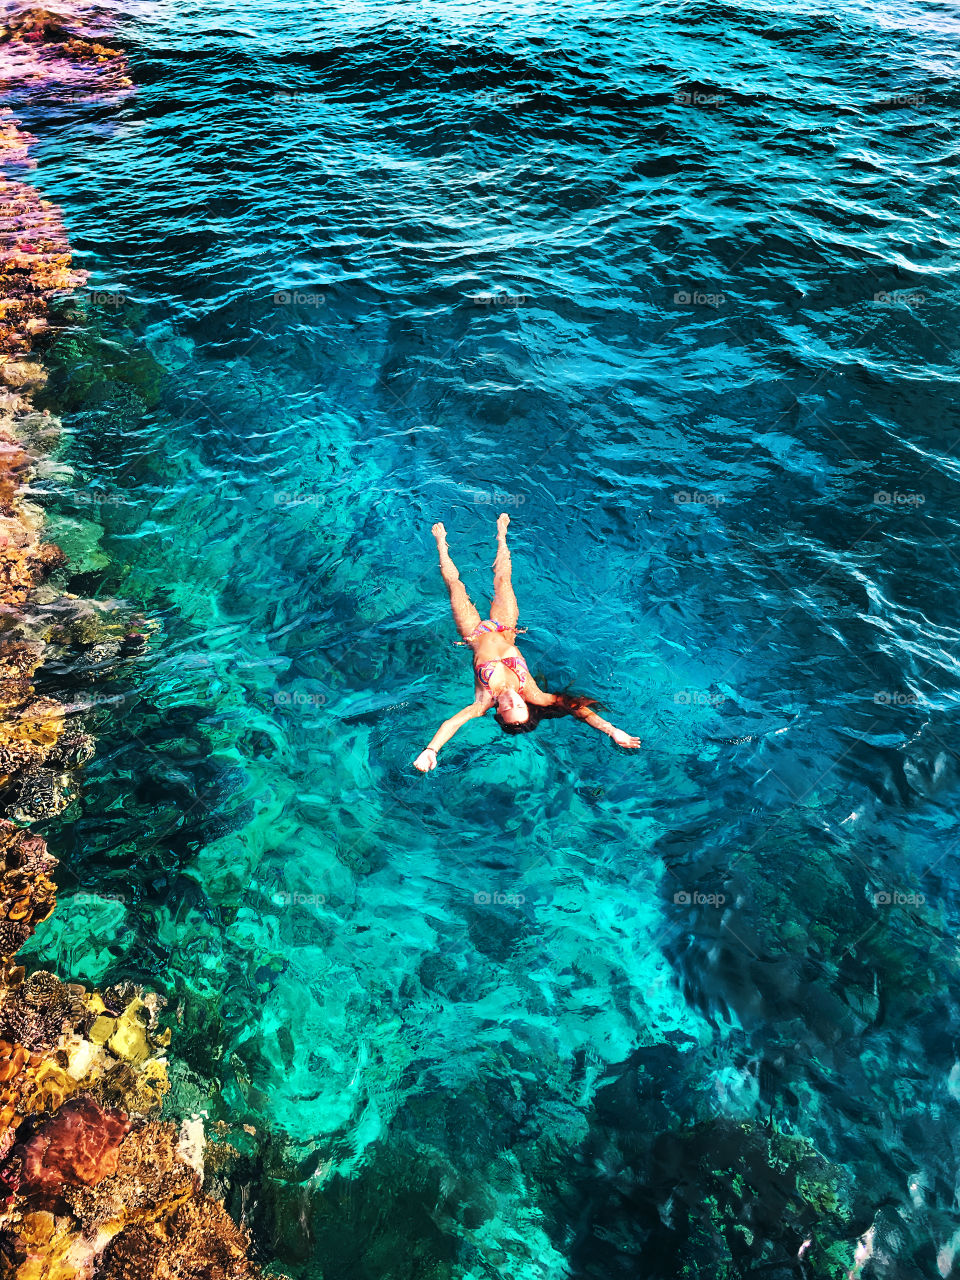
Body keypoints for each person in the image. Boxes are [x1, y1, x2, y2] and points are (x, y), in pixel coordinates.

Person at [413, 514, 641, 772]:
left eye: (508, 707)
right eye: (518, 705)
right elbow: (576, 708)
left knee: (456, 587)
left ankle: (441, 544)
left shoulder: (482, 702)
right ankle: (501, 536)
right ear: (526, 704)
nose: (512, 700)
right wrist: (612, 731)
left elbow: (452, 724)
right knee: (503, 581)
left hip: (473, 633)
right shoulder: (532, 693)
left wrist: (431, 750)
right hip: (506, 627)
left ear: (498, 713)